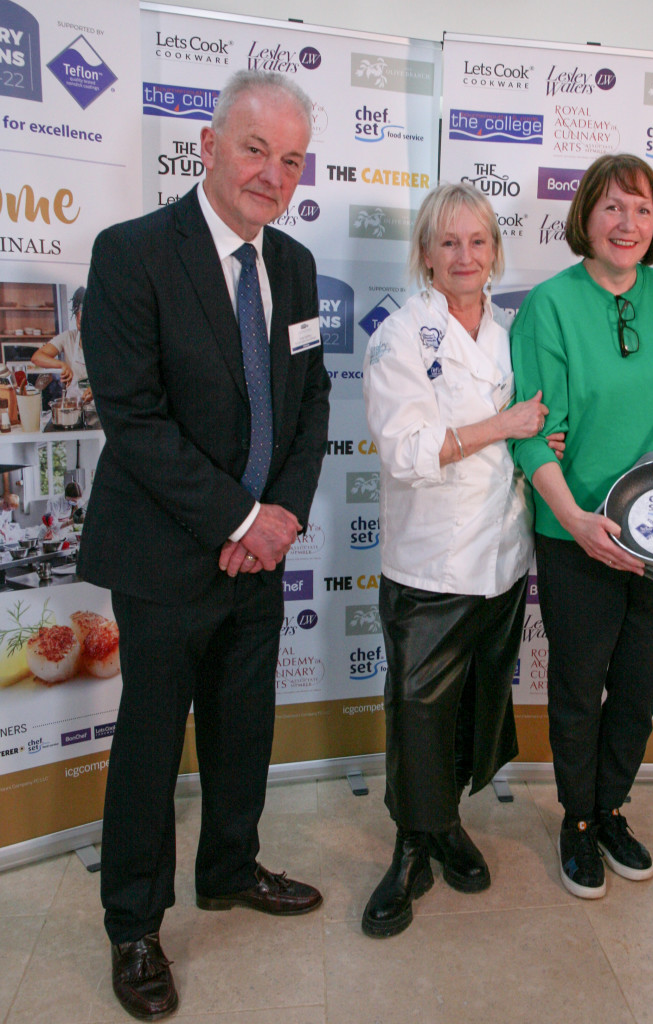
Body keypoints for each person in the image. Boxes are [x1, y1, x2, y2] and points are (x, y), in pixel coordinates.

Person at [79, 69, 331, 1019]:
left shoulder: (297, 266)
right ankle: (134, 927)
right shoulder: (133, 253)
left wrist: (283, 520)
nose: (273, 173)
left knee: (243, 725)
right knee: (151, 741)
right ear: (208, 146)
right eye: (256, 149)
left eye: (292, 158)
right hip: (166, 553)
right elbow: (134, 419)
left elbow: (311, 407)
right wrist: (240, 517)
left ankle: (230, 866)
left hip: (261, 553)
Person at [509, 154, 653, 899]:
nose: (626, 223)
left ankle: (610, 809)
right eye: (610, 208)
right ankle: (575, 821)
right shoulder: (551, 306)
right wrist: (574, 519)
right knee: (579, 684)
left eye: (640, 209)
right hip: (579, 531)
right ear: (585, 219)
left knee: (638, 686)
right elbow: (535, 434)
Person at [361, 183, 561, 938]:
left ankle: (445, 826)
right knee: (416, 712)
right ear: (425, 256)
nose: (465, 257)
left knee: (475, 706)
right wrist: (502, 424)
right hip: (430, 562)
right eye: (448, 243)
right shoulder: (399, 336)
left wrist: (538, 438)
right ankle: (410, 847)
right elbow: (409, 451)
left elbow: (537, 427)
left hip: (503, 558)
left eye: (478, 242)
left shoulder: (514, 331)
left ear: (494, 252)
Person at [31, 286, 92, 402]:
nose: (81, 327)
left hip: (98, 411)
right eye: (79, 323)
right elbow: (37, 357)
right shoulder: (68, 337)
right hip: (74, 409)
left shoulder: (106, 343)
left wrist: (95, 389)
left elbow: (117, 376)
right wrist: (62, 365)